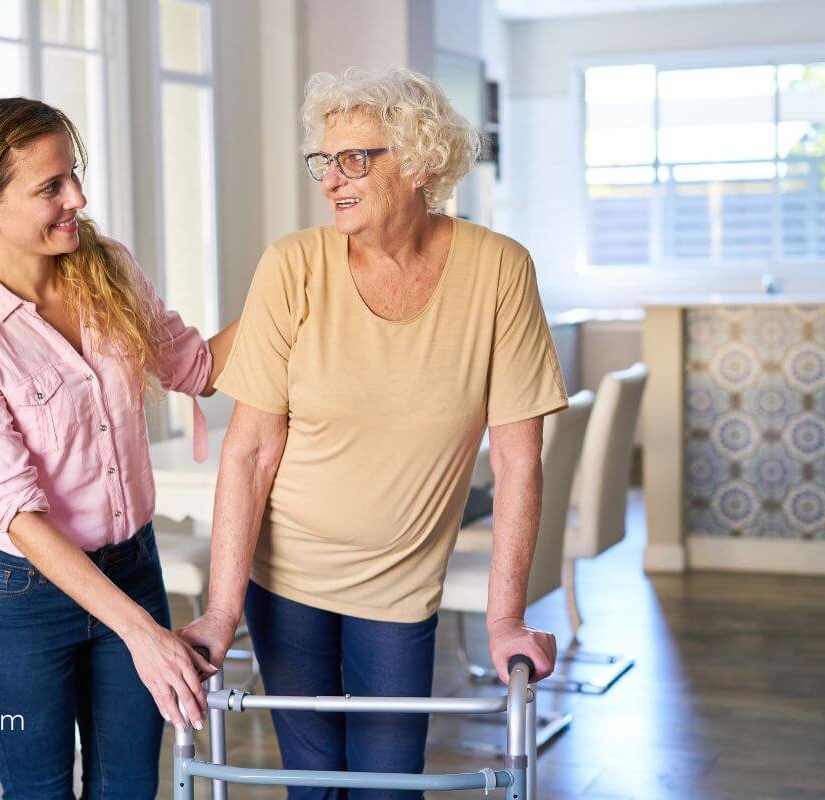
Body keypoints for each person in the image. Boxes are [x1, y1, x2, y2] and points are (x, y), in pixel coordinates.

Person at [180, 68, 566, 799]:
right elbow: (251, 450)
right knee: (316, 785)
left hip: (402, 584)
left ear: (420, 164)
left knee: (389, 787)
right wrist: (222, 611)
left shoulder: (499, 272)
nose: (331, 180)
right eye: (323, 161)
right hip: (284, 576)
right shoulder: (293, 265)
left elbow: (520, 462)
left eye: (355, 158)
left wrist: (506, 618)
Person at [0, 97, 236, 799]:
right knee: (38, 793)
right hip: (17, 603)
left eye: (74, 175)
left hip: (131, 566)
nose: (78, 198)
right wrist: (143, 634)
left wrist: (295, 282)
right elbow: (17, 512)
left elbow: (195, 368)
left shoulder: (109, 269)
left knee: (129, 788)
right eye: (50, 187)